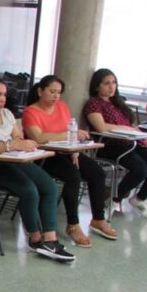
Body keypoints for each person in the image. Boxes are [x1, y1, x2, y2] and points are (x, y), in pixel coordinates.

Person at [0, 76, 75, 262]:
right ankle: (35, 238)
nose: (3, 99)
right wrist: (11, 146)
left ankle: (50, 239)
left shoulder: (7, 114)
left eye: (4, 95)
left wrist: (24, 143)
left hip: (16, 160)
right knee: (29, 190)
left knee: (49, 186)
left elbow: (18, 136)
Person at [23, 74, 117, 246]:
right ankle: (73, 224)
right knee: (73, 176)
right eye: (52, 91)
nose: (56, 96)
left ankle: (98, 218)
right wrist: (69, 136)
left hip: (67, 152)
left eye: (59, 92)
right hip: (46, 156)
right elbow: (38, 137)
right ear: (40, 91)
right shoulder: (31, 111)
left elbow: (70, 131)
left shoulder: (62, 107)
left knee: (96, 172)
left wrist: (74, 148)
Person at [83, 68, 147, 219]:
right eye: (106, 83)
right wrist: (125, 128)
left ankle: (139, 198)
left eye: (114, 83)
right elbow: (101, 127)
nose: (111, 87)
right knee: (140, 169)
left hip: (131, 142)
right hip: (109, 144)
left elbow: (132, 125)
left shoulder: (118, 103)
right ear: (97, 86)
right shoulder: (94, 104)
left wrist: (142, 135)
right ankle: (114, 200)